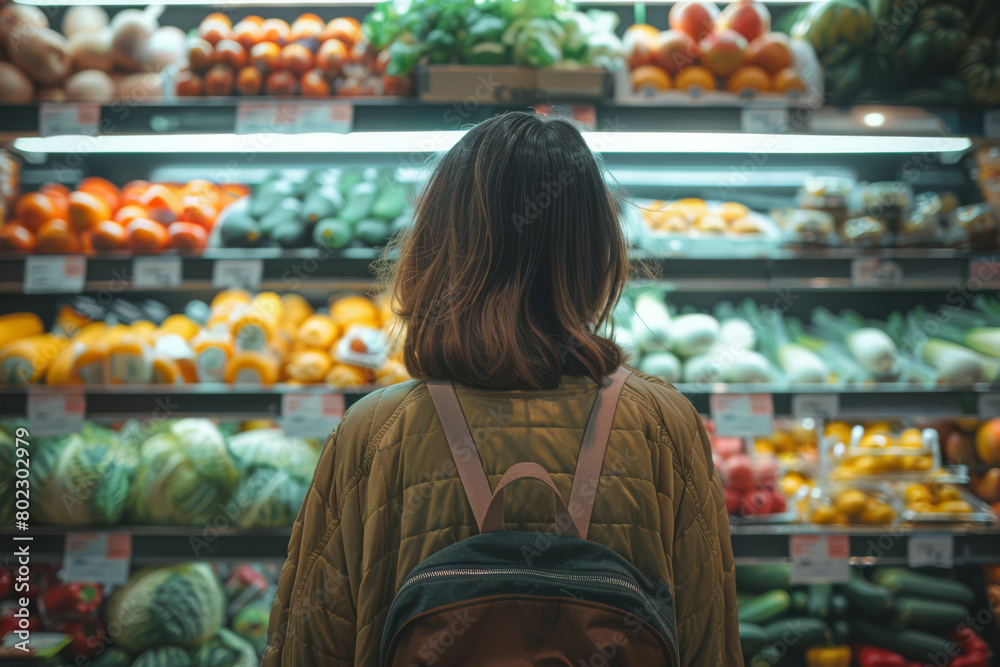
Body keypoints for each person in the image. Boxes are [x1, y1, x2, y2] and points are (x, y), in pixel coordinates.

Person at [262, 111, 741, 667]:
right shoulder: (665, 424)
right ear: (596, 252)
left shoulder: (373, 431)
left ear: (437, 247)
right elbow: (710, 643)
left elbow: (309, 648)